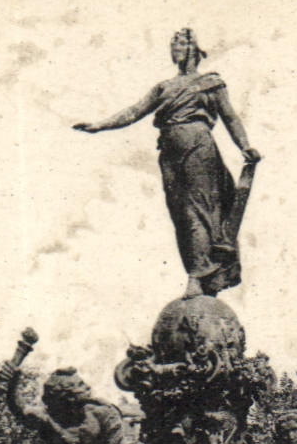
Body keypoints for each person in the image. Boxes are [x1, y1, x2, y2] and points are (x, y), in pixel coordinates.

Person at [74, 28, 261, 297]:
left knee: (198, 209)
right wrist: (99, 125)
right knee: (180, 213)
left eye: (180, 44)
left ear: (193, 49)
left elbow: (230, 117)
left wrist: (245, 146)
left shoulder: (211, 82)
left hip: (198, 147)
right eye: (173, 46)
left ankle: (200, 275)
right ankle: (197, 270)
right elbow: (134, 111)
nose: (175, 50)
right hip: (170, 154)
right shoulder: (164, 87)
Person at [0, 366, 131, 444]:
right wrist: (13, 383)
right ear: (66, 397)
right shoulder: (48, 418)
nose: (88, 387)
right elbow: (20, 410)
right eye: (80, 385)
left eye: (83, 384)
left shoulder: (103, 413)